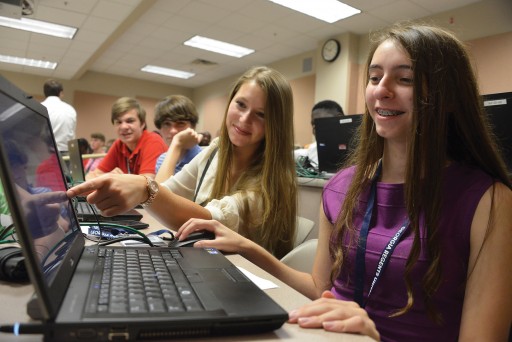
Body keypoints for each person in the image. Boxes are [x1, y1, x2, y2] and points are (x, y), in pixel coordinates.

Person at [173, 24, 512, 341]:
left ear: (449, 97)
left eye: (404, 79)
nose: (381, 90)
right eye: (374, 77)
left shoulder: (489, 201)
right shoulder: (343, 187)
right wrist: (248, 248)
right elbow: (320, 285)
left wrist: (372, 335)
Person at [67, 66, 298, 258]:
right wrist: (142, 188)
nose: (244, 119)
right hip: (208, 260)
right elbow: (166, 190)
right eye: (240, 105)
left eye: (261, 114)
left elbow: (209, 221)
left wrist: (144, 187)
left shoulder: (273, 182)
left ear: (275, 125)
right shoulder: (216, 150)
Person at [85, 97, 167, 180]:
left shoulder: (153, 142)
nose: (123, 127)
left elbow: (147, 184)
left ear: (142, 124)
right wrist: (109, 176)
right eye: (119, 122)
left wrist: (117, 179)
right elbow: (91, 176)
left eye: (130, 121)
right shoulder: (119, 144)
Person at [153, 95, 202, 180]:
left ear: (193, 127)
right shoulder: (162, 159)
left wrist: (177, 143)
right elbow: (158, 191)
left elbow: (162, 191)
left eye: (180, 123)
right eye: (167, 124)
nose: (173, 131)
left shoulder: (203, 158)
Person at [294, 100, 344, 166]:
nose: (314, 130)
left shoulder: (358, 150)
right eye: (313, 124)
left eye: (320, 123)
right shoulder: (312, 151)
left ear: (340, 118)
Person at [41, 79, 77, 155]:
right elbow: (72, 132)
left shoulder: (40, 107)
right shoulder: (70, 109)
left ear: (45, 93)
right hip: (67, 153)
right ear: (61, 93)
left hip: (47, 153)